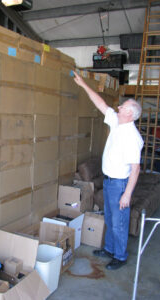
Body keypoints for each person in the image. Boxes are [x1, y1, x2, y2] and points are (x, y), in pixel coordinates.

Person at [73, 71, 144, 270]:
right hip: (110, 181)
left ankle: (120, 256)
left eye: (123, 106)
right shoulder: (117, 123)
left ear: (129, 113)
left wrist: (127, 195)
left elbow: (136, 169)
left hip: (120, 184)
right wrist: (83, 85)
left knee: (119, 222)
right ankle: (110, 249)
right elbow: (101, 104)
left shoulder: (132, 136)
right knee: (111, 218)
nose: (118, 107)